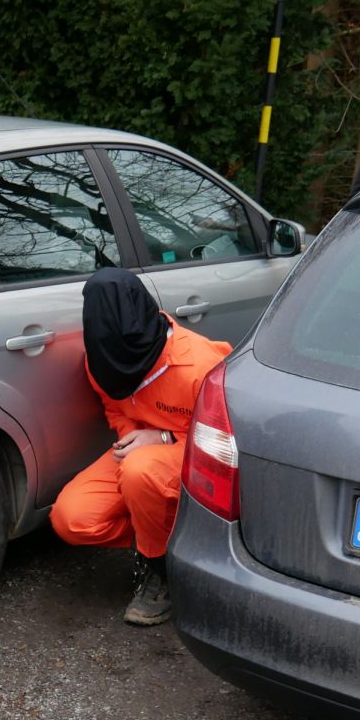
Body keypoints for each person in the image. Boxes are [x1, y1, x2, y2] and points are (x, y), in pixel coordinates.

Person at [50, 268, 233, 626]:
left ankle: (159, 568)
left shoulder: (198, 364)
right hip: (140, 453)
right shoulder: (102, 358)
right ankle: (172, 540)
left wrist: (163, 438)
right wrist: (134, 435)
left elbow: (224, 440)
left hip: (194, 453)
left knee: (140, 470)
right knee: (71, 520)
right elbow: (115, 409)